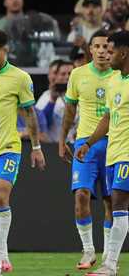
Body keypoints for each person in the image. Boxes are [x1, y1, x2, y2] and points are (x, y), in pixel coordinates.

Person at [0, 29, 46, 272]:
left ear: (5, 50)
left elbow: (29, 113)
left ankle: (1, 255)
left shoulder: (20, 78)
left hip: (8, 148)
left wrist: (36, 147)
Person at [75, 30, 129, 276]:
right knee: (118, 204)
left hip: (127, 153)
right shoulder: (114, 82)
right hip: (113, 152)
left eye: (112, 50)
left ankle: (110, 264)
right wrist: (87, 143)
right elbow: (108, 117)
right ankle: (109, 264)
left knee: (118, 202)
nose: (108, 55)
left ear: (123, 52)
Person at [60, 30, 114, 271]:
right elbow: (70, 110)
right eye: (98, 47)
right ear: (90, 50)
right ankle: (89, 250)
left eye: (106, 47)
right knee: (81, 194)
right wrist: (63, 139)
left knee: (111, 201)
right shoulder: (78, 75)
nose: (102, 51)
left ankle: (109, 256)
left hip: (115, 142)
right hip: (84, 143)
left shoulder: (121, 75)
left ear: (112, 50)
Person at [36, 60, 74, 142]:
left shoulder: (81, 96)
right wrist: (52, 100)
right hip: (54, 148)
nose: (67, 77)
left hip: (76, 146)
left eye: (70, 73)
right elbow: (41, 124)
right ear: (55, 76)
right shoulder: (46, 96)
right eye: (63, 74)